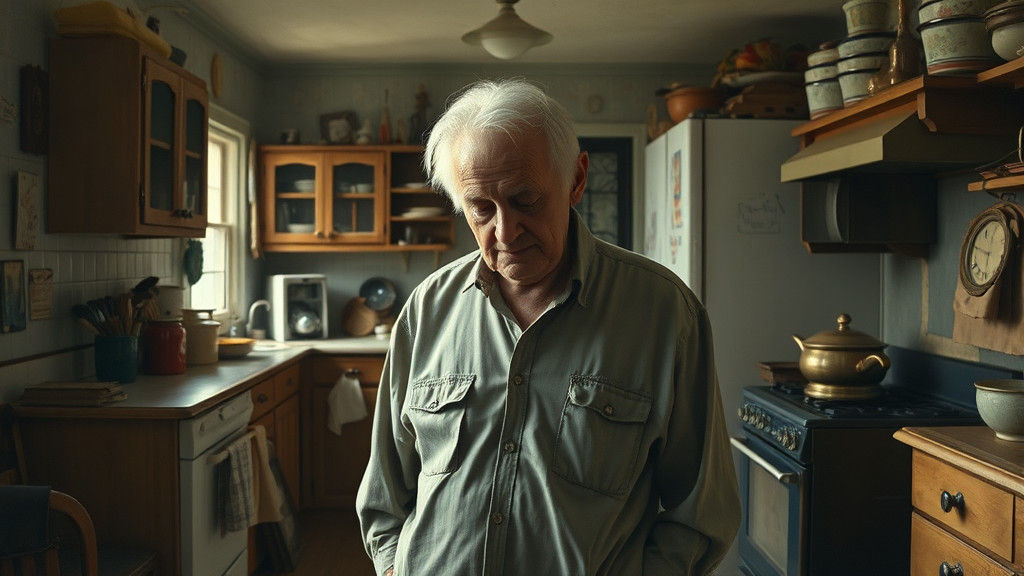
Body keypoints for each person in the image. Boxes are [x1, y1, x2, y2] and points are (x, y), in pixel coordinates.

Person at [356, 79, 740, 576]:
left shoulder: (665, 314)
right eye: (480, 207)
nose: (505, 231)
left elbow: (700, 516)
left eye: (526, 200)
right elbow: (385, 494)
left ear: (576, 180)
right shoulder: (427, 310)